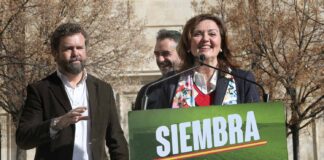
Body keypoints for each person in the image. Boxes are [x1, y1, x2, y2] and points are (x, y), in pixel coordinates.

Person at [16, 23, 129, 160]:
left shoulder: (103, 89)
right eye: (68, 48)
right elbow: (23, 138)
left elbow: (116, 140)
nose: (75, 53)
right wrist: (57, 124)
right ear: (55, 53)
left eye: (80, 48)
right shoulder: (40, 90)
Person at [135, 14, 259, 110]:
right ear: (188, 45)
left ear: (222, 44)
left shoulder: (243, 81)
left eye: (212, 34)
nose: (205, 39)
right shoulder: (168, 84)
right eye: (198, 34)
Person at [134, 29, 182, 110]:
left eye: (166, 54)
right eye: (157, 54)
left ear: (182, 53)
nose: (160, 59)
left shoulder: (196, 86)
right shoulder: (147, 91)